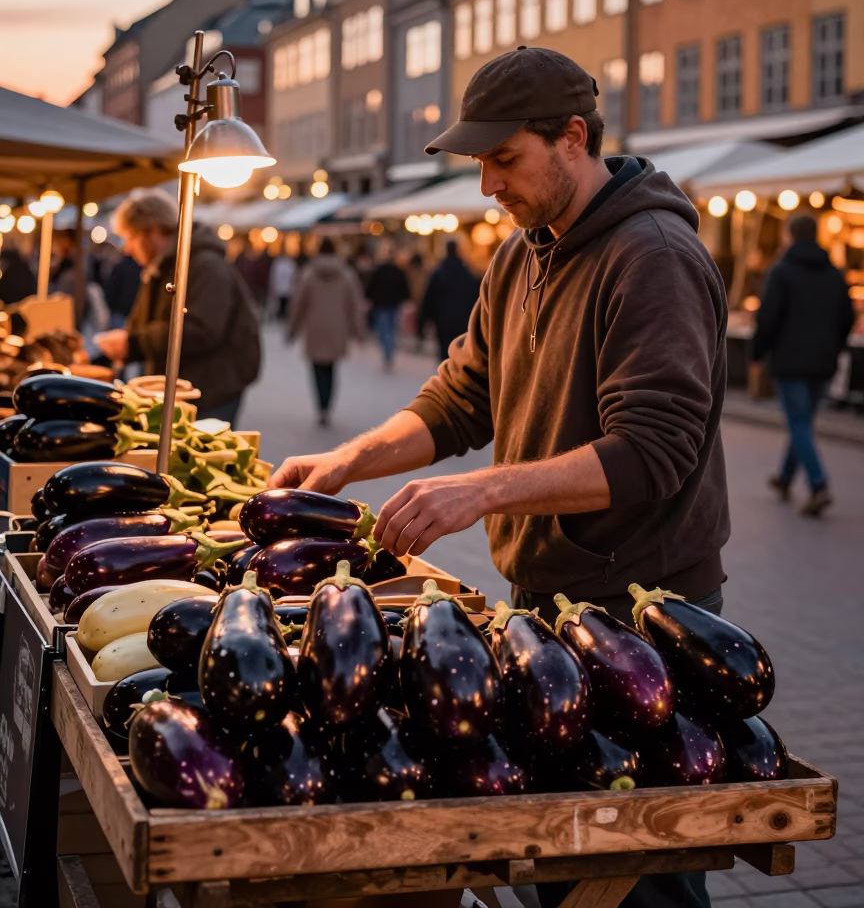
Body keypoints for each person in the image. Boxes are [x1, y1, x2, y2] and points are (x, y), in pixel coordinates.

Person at [270, 46, 731, 908]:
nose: (487, 186)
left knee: (635, 878)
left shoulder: (653, 254)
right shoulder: (523, 254)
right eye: (478, 163)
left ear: (572, 138)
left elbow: (656, 449)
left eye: (502, 160)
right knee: (555, 859)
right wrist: (348, 461)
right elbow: (460, 398)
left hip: (650, 618)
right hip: (548, 606)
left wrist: (482, 490)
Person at [93, 189, 261, 424]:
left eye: (130, 237)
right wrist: (124, 344)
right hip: (182, 388)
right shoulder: (162, 266)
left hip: (210, 391)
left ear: (153, 231)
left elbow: (202, 330)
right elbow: (145, 322)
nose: (127, 248)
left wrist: (133, 342)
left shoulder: (204, 265)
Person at [751, 212, 854, 517]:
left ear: (790, 235)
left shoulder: (781, 271)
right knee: (803, 423)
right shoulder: (834, 273)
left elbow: (767, 318)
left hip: (790, 360)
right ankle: (784, 478)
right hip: (824, 361)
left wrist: (757, 353)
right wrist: (834, 346)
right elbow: (847, 317)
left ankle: (819, 484)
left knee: (798, 423)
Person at [289, 237, 364, 427]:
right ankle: (327, 406)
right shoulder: (346, 274)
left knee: (316, 369)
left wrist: (293, 329)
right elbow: (354, 305)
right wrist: (358, 331)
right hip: (336, 328)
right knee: (331, 369)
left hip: (315, 328)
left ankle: (320, 406)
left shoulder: (309, 274)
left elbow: (299, 304)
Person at [418, 240, 481, 361]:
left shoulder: (439, 273)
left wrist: (422, 325)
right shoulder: (467, 274)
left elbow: (429, 299)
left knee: (444, 353)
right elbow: (475, 297)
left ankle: (447, 376)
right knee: (459, 352)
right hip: (463, 320)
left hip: (443, 321)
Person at [365, 245, 410, 370]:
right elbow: (404, 288)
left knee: (383, 330)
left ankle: (387, 353)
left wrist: (370, 299)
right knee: (390, 329)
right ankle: (389, 352)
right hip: (393, 304)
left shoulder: (378, 271)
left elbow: (370, 287)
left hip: (381, 305)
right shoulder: (398, 271)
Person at [269, 251, 297, 322]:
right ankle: (282, 317)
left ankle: (281, 317)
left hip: (281, 288)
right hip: (286, 288)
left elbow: (273, 276)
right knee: (283, 305)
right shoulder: (290, 264)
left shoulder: (278, 264)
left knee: (282, 305)